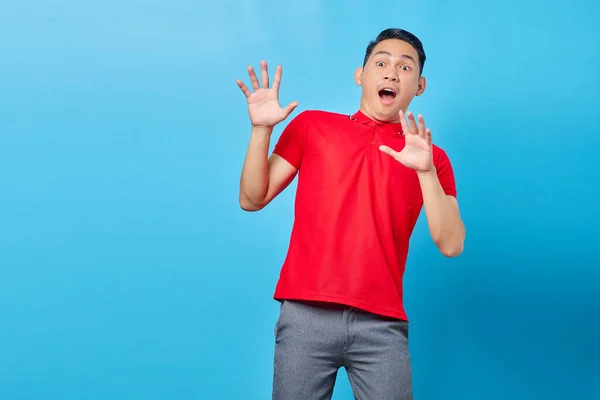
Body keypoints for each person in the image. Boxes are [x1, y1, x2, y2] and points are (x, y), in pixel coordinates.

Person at [237, 28, 466, 400]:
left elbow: (452, 243)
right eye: (381, 63)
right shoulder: (313, 126)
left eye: (404, 67)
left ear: (419, 86)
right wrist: (261, 130)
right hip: (306, 315)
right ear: (360, 75)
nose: (391, 72)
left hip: (382, 324)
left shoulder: (430, 157)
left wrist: (424, 171)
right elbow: (252, 198)